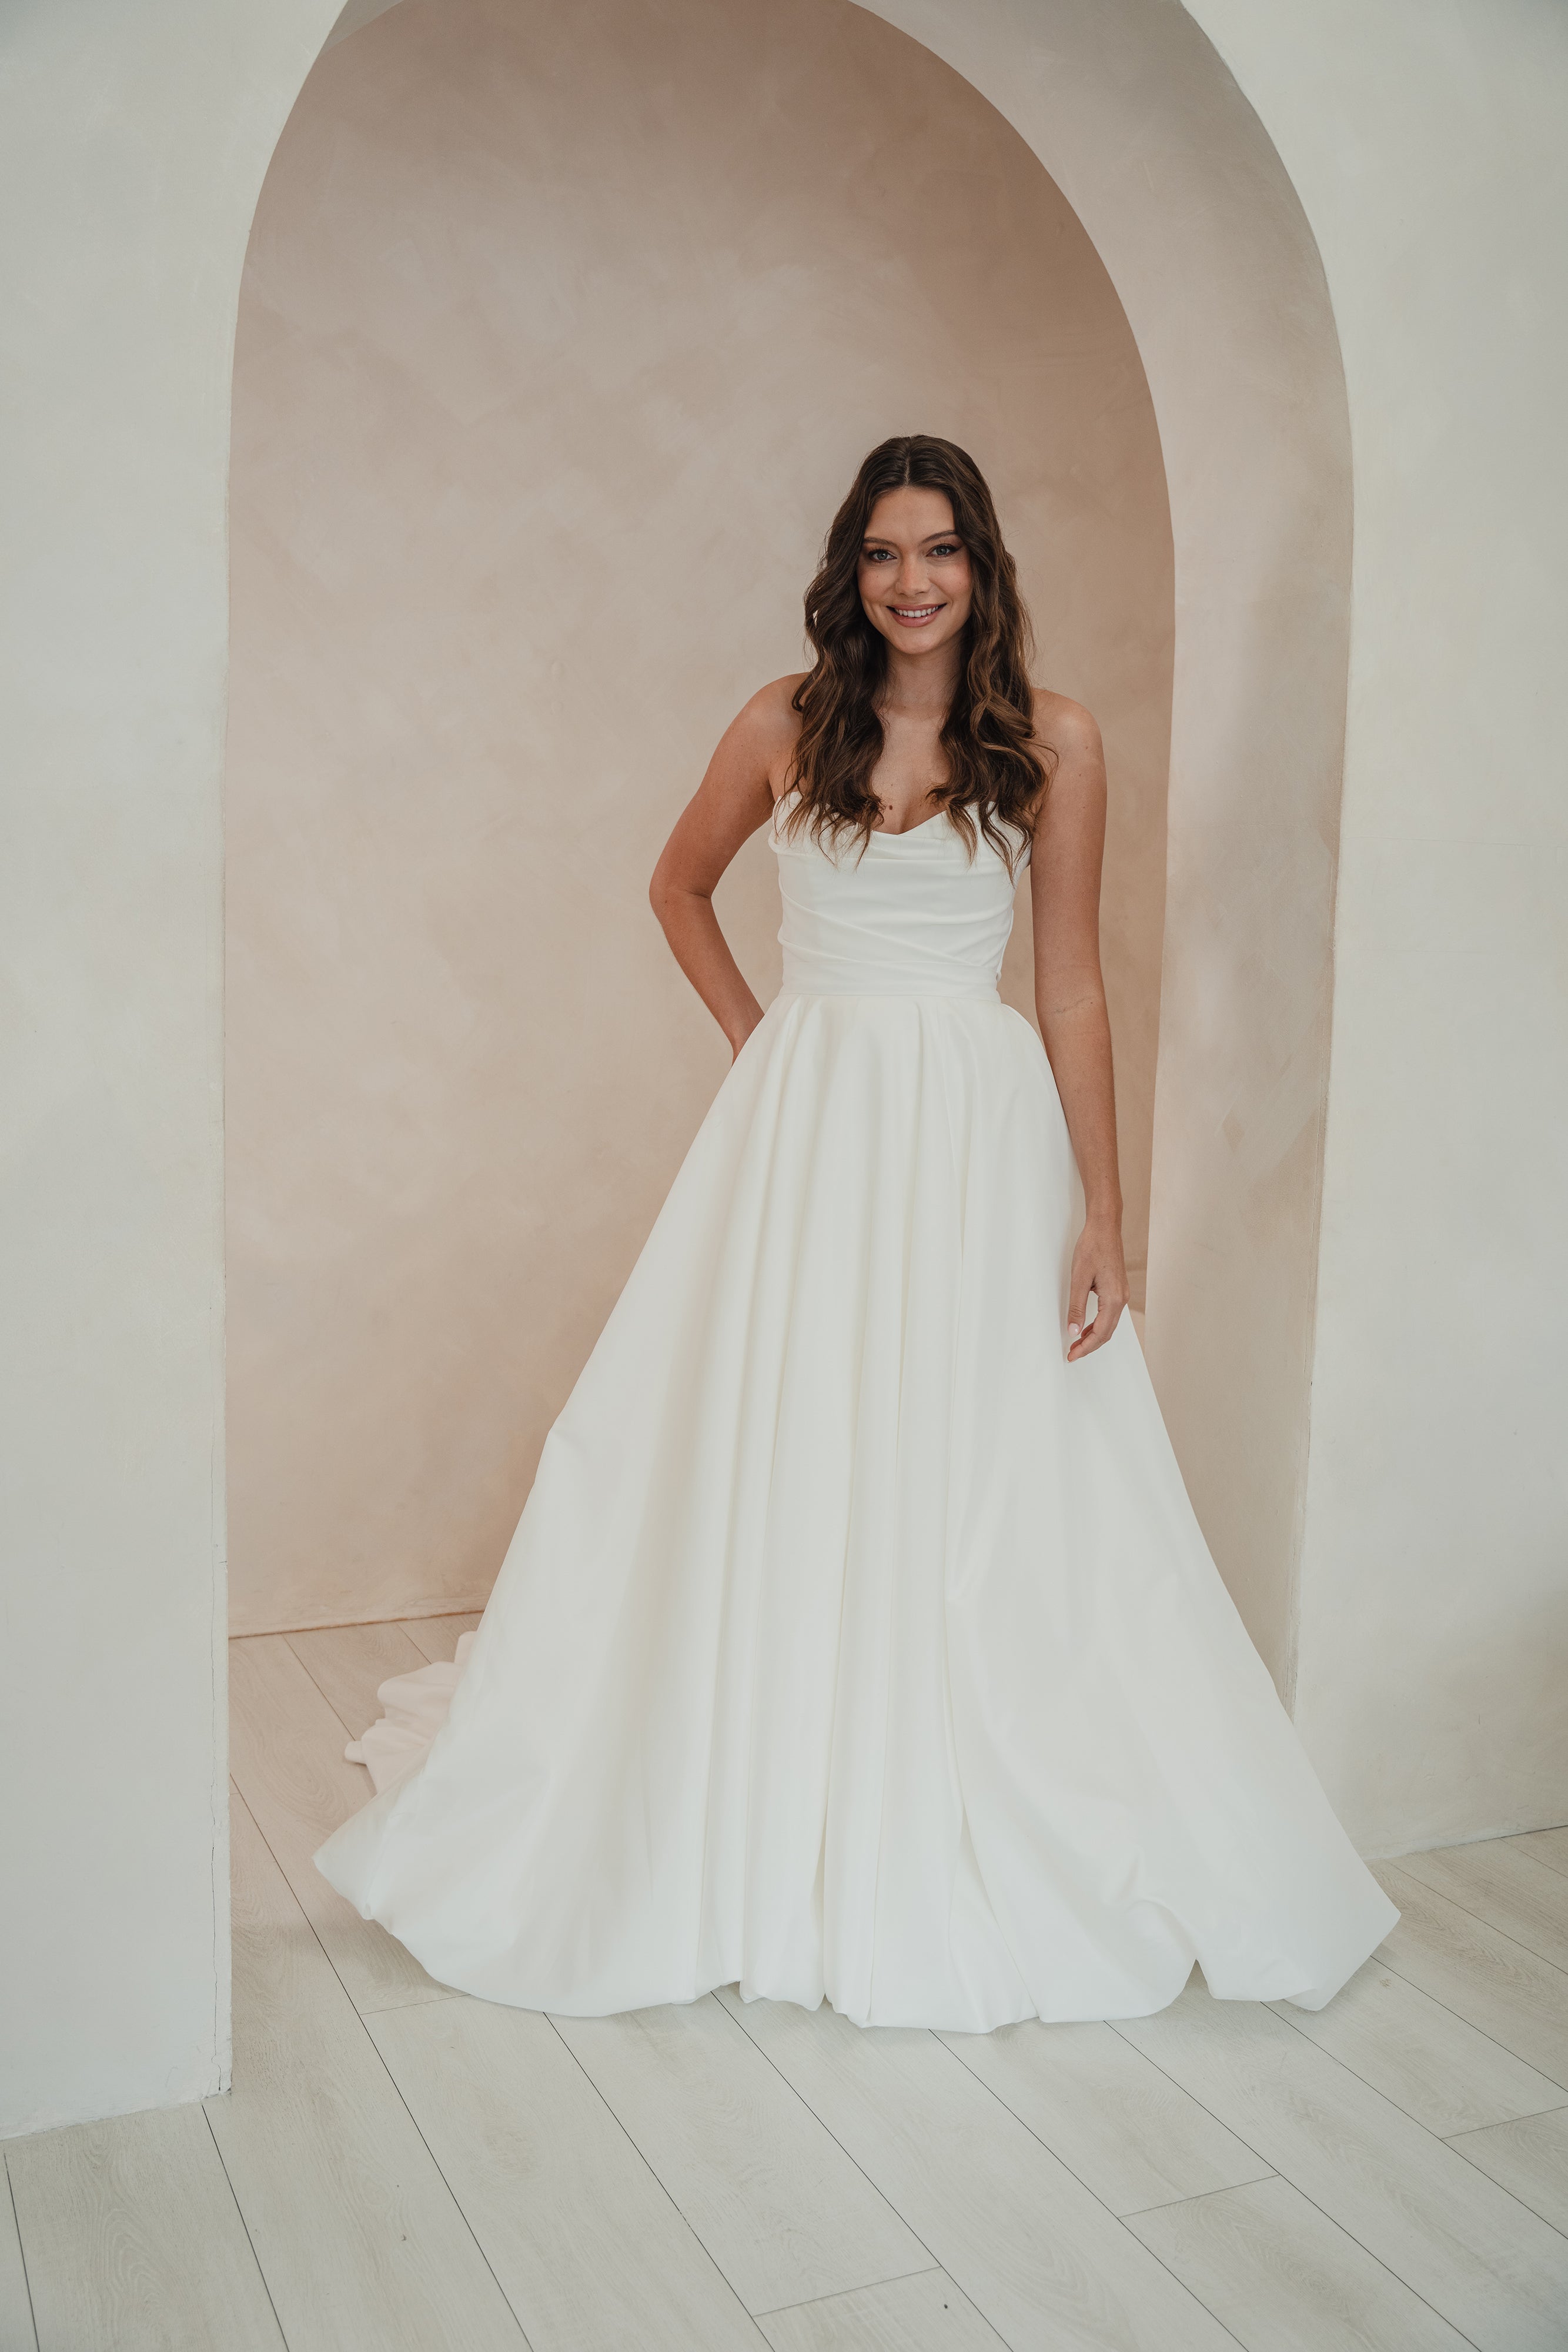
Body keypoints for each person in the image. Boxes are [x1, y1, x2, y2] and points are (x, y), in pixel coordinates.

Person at [315, 434, 1397, 2029]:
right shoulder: (781, 722)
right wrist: (768, 1043)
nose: (912, 580)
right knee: (776, 1433)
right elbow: (675, 887)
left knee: (974, 1448)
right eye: (885, 551)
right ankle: (760, 1759)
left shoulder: (1054, 742)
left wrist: (1105, 1214)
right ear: (850, 568)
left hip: (973, 1125)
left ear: (983, 567)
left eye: (941, 549)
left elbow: (1074, 984)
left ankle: (948, 1748)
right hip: (807, 1125)